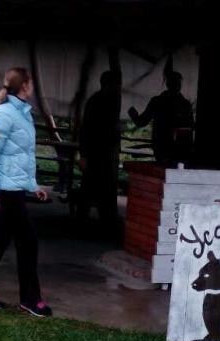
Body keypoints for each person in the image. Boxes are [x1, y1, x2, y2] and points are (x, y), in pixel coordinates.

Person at [0, 67, 53, 317]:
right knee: (28, 243)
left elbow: (21, 156)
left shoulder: (21, 113)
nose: (33, 87)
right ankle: (30, 300)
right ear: (24, 86)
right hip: (6, 191)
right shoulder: (5, 114)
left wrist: (33, 186)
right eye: (31, 83)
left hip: (13, 189)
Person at [77, 70, 122, 238]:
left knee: (106, 190)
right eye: (115, 84)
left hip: (106, 152)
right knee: (89, 188)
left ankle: (105, 223)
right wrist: (83, 155)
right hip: (95, 152)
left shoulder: (111, 101)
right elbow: (86, 129)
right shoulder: (95, 101)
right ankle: (82, 222)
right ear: (108, 84)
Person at [128, 70, 194, 166]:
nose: (176, 86)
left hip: (168, 149)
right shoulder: (184, 104)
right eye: (175, 83)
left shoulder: (159, 101)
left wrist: (132, 113)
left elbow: (141, 122)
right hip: (175, 150)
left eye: (177, 83)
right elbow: (191, 126)